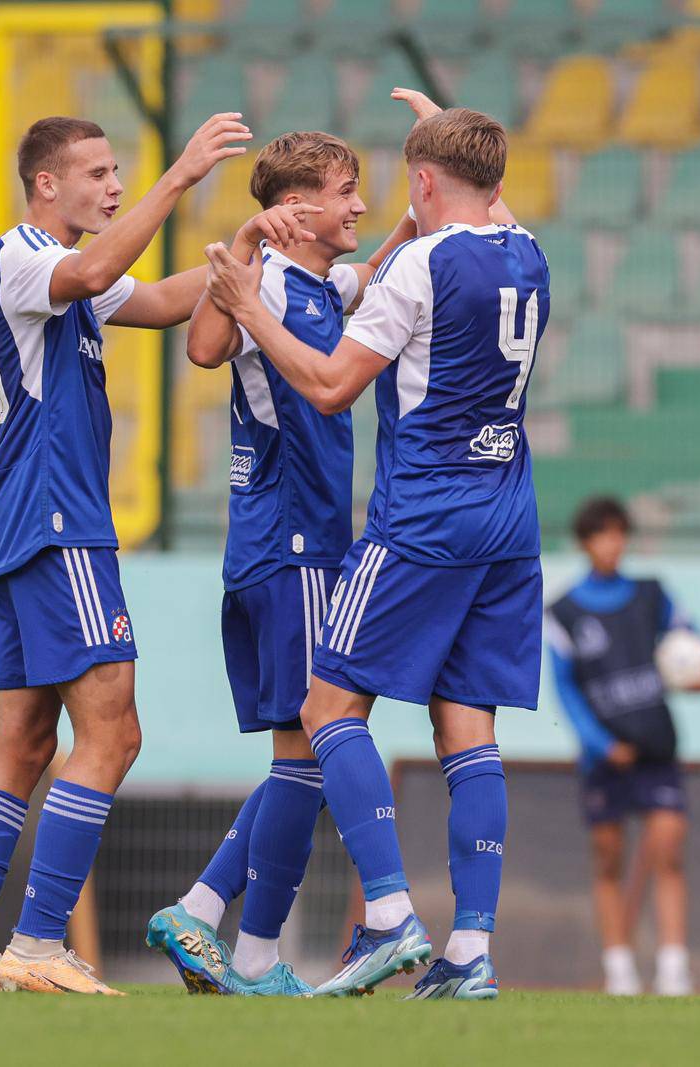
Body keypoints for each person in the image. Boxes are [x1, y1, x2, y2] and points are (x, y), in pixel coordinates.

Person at [203, 92, 546, 1001]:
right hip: (511, 517)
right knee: (468, 728)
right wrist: (453, 131)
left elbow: (324, 386)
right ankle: (471, 950)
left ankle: (391, 913)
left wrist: (247, 301)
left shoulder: (416, 269)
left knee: (325, 710)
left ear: (422, 179)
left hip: (425, 519)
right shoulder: (530, 253)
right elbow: (490, 202)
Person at [0, 112, 250, 994]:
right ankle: (35, 943)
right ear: (46, 185)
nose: (113, 185)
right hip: (55, 517)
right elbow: (101, 270)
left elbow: (161, 298)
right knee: (114, 729)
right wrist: (179, 177)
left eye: (119, 172)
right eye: (99, 172)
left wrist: (246, 250)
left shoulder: (60, 274)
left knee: (25, 742)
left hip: (20, 519)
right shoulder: (23, 256)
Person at [144, 130, 417, 996]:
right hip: (285, 542)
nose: (358, 205)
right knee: (319, 742)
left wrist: (434, 191)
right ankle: (255, 944)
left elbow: (381, 267)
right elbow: (200, 349)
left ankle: (205, 912)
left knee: (300, 754)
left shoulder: (330, 284)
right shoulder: (257, 283)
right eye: (344, 191)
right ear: (298, 209)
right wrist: (253, 240)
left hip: (313, 546)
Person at [545, 496, 700, 997]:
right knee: (608, 859)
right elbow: (565, 690)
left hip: (657, 748)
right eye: (602, 535)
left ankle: (673, 967)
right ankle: (619, 967)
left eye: (619, 534)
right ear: (585, 543)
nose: (612, 544)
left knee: (668, 849)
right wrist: (600, 743)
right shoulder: (564, 612)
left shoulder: (651, 595)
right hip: (605, 760)